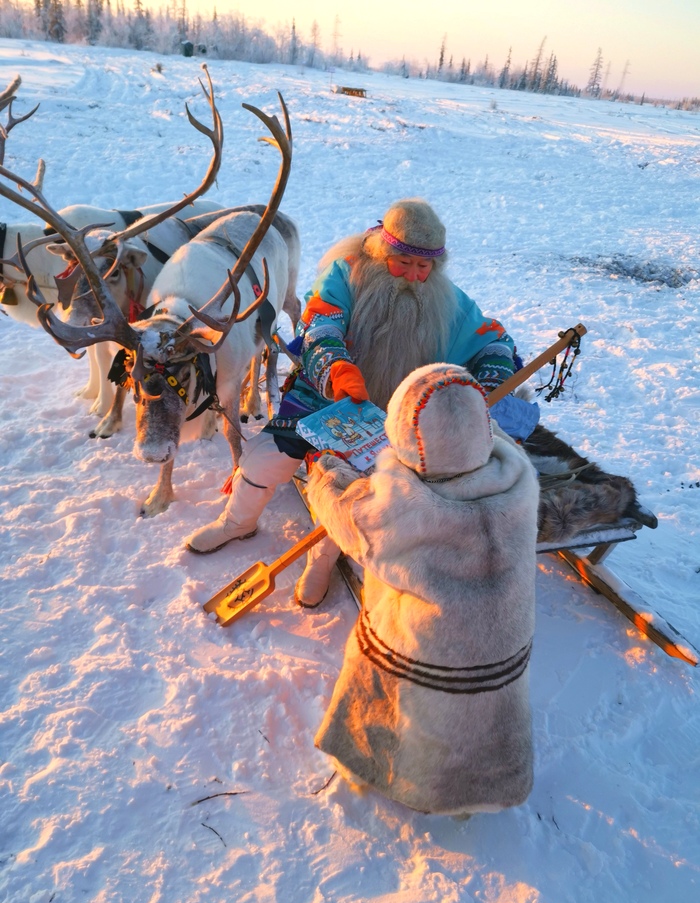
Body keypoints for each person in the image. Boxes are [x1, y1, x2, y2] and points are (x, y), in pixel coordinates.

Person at [186, 198, 539, 607]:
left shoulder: (449, 300)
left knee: (357, 489)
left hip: (393, 416)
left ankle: (320, 561)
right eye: (403, 262)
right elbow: (320, 324)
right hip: (324, 397)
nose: (413, 276)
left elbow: (493, 340)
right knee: (266, 458)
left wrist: (492, 377)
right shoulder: (347, 274)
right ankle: (236, 522)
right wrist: (336, 368)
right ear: (382, 251)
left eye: (424, 267)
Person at [307, 362, 539, 816]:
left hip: (430, 659)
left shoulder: (403, 506)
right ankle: (486, 787)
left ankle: (394, 776)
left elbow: (346, 517)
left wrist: (325, 474)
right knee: (487, 704)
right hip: (503, 652)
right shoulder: (519, 476)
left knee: (390, 686)